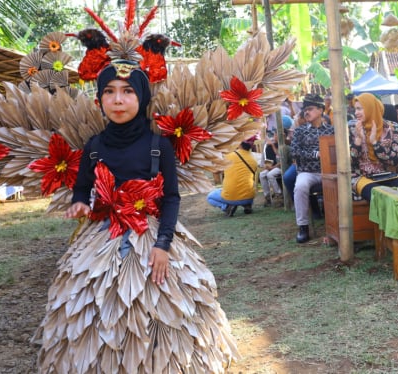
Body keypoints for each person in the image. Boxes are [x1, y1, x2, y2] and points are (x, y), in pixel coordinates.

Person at [34, 62, 237, 371]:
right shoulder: (94, 147)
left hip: (153, 235)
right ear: (100, 99)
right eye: (110, 92)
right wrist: (80, 204)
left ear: (141, 98)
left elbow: (171, 198)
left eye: (128, 92)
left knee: (162, 312)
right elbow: (82, 188)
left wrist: (163, 245)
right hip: (102, 238)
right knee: (92, 308)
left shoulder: (159, 146)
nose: (118, 100)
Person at [350, 93, 398, 201]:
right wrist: (358, 140)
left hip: (386, 174)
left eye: (359, 109)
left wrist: (375, 143)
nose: (356, 113)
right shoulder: (352, 128)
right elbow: (350, 162)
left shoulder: (390, 127)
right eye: (355, 109)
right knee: (379, 195)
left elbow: (395, 160)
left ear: (371, 108)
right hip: (361, 177)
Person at [291, 93, 334, 243]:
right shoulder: (300, 131)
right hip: (308, 172)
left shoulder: (331, 130)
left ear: (321, 110)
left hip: (329, 171)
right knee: (300, 187)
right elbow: (294, 151)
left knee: (345, 184)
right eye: (305, 110)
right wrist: (315, 154)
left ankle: (339, 225)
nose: (306, 112)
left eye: (310, 109)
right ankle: (303, 227)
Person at [207, 135, 258, 216]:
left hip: (231, 196)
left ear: (239, 144)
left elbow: (216, 171)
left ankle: (227, 207)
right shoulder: (254, 158)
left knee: (210, 197)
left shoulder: (229, 156)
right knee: (245, 185)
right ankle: (247, 205)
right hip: (249, 196)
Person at [260, 126, 291, 208]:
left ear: (282, 136)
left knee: (270, 175)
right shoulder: (273, 145)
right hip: (275, 167)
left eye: (275, 135)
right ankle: (267, 197)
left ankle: (279, 195)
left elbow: (282, 161)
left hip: (284, 167)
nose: (274, 137)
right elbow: (272, 157)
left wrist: (272, 168)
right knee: (262, 174)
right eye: (274, 135)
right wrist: (268, 166)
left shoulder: (285, 145)